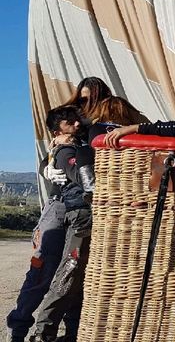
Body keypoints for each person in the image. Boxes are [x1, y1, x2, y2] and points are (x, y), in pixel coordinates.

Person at [5, 79, 112, 342]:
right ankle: (21, 328)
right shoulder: (70, 125)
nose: (83, 106)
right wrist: (48, 165)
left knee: (75, 273)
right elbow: (58, 161)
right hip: (61, 205)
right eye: (82, 99)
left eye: (90, 99)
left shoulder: (102, 122)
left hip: (80, 206)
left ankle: (70, 331)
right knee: (44, 270)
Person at [28, 106, 95, 342]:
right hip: (81, 215)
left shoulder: (68, 147)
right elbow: (87, 183)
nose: (77, 124)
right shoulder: (67, 151)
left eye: (77, 120)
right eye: (70, 122)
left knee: (78, 276)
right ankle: (42, 333)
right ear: (57, 130)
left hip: (79, 214)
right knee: (69, 271)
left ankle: (70, 332)